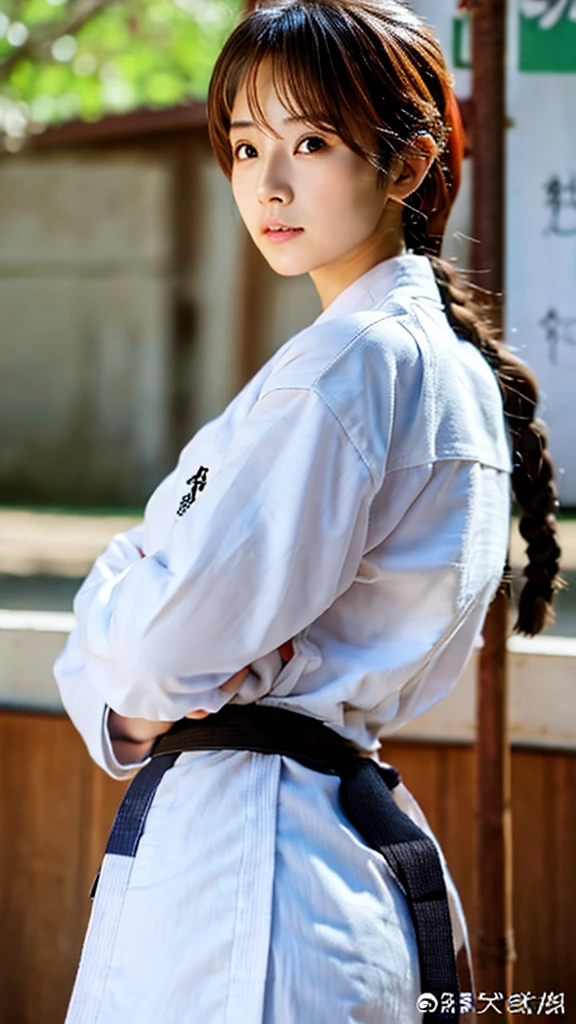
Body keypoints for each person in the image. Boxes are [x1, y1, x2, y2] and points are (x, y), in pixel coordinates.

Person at [54, 1, 562, 1021]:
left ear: (408, 167)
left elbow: (158, 646)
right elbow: (168, 642)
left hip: (260, 870)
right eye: (245, 146)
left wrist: (134, 611)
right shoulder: (416, 359)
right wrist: (150, 626)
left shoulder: (352, 368)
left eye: (312, 142)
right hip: (312, 842)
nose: (267, 183)